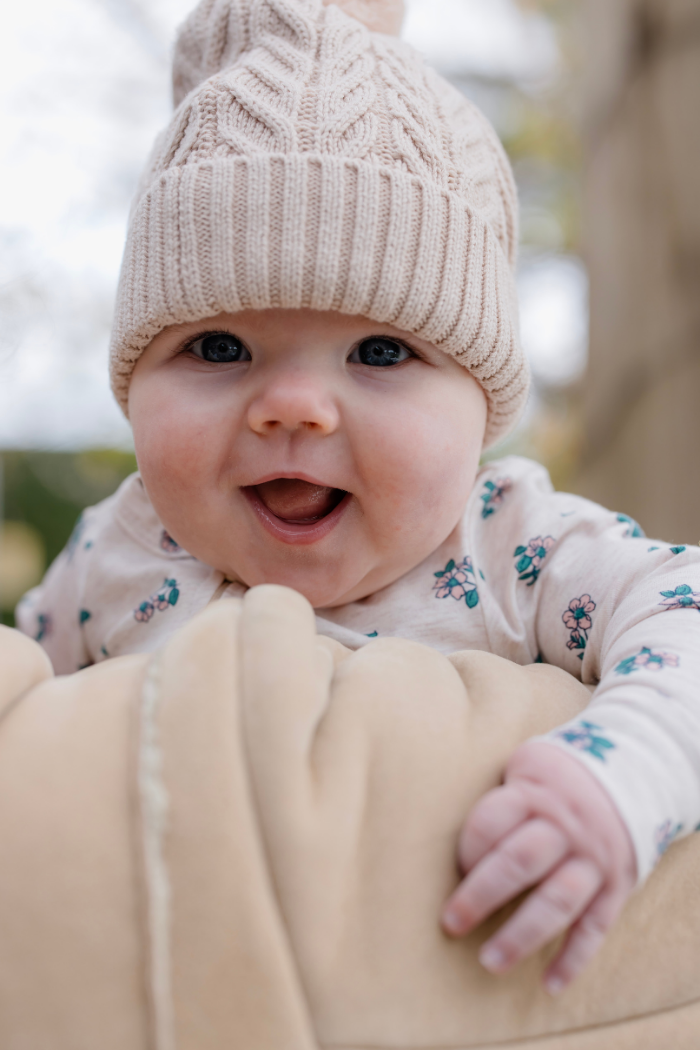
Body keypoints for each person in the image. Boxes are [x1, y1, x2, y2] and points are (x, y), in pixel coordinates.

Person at [16, 0, 700, 997]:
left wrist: (616, 777)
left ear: (481, 407)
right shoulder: (111, 557)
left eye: (381, 352)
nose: (292, 407)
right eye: (217, 348)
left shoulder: (514, 546)